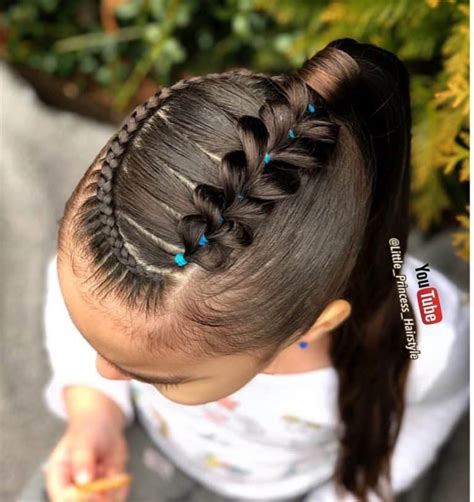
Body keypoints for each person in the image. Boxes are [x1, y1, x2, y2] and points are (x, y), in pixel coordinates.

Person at [40, 38, 469, 502]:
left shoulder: (424, 333)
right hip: (150, 448)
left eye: (162, 377)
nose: (103, 370)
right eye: (93, 340)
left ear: (314, 325)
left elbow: (428, 417)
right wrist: (93, 413)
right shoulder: (120, 260)